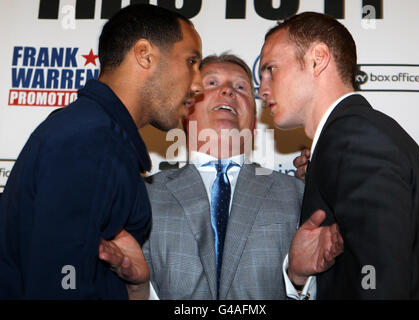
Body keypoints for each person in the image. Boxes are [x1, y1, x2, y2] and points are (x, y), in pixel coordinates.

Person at [0, 3, 203, 299]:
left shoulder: (95, 132)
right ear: (145, 55)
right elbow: (60, 283)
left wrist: (136, 287)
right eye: (191, 61)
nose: (197, 84)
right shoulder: (93, 138)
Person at [258, 12, 419, 299]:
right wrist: (299, 277)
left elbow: (379, 279)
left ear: (318, 59)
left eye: (271, 69)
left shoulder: (354, 138)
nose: (262, 89)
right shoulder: (348, 138)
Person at [139, 54, 343, 299]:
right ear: (185, 110)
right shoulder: (145, 195)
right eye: (212, 83)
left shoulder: (297, 193)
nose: (227, 91)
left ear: (255, 123)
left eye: (240, 87)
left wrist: (297, 279)